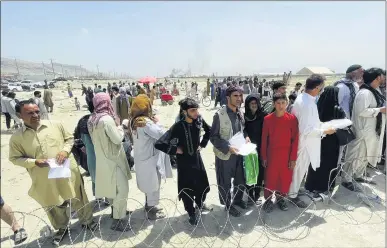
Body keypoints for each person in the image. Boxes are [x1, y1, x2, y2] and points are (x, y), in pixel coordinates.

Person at [9, 99, 97, 245]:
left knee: (77, 196)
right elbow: (14, 158)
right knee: (54, 203)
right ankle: (62, 228)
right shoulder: (17, 137)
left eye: (37, 111)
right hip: (43, 176)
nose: (35, 115)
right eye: (30, 113)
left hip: (66, 169)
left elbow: (69, 139)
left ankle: (87, 221)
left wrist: (64, 151)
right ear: (19, 115)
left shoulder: (55, 125)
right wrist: (34, 162)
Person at [157, 98, 212, 225]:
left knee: (201, 184)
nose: (196, 113)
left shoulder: (198, 120)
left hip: (197, 159)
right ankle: (191, 213)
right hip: (184, 163)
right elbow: (160, 143)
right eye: (192, 110)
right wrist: (175, 150)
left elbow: (209, 130)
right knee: (187, 188)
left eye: (196, 110)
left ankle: (200, 204)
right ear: (184, 111)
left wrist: (202, 144)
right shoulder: (178, 126)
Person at [289, 74, 336, 208]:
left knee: (300, 170)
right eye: (322, 87)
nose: (322, 90)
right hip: (304, 144)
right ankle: (292, 196)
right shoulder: (306, 103)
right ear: (317, 87)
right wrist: (325, 131)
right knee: (298, 170)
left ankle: (295, 190)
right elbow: (305, 130)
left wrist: (322, 125)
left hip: (306, 142)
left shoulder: (307, 99)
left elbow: (311, 123)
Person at [88, 93, 132, 231]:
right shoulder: (106, 120)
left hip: (102, 159)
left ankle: (117, 211)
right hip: (113, 160)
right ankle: (118, 220)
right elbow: (117, 139)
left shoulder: (92, 119)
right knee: (122, 189)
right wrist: (122, 127)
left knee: (112, 189)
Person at [342, 68, 386, 191]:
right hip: (361, 130)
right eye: (382, 76)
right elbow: (361, 111)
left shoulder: (374, 91)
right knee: (355, 154)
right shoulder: (364, 93)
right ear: (377, 77)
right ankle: (346, 179)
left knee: (365, 155)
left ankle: (358, 175)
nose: (384, 78)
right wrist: (380, 110)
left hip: (370, 129)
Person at [130, 94, 172, 220]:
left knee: (148, 183)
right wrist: (157, 123)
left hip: (142, 158)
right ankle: (151, 211)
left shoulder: (134, 120)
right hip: (150, 159)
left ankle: (149, 205)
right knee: (153, 184)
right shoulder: (145, 123)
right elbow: (161, 134)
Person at [210, 86, 249, 217]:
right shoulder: (219, 115)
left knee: (240, 180)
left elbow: (243, 130)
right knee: (225, 182)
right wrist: (227, 148)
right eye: (235, 96)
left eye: (240, 96)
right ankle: (228, 205)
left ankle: (237, 200)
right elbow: (213, 137)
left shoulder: (240, 112)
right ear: (228, 98)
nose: (238, 99)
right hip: (225, 155)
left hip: (239, 154)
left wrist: (247, 137)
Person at [260, 93, 299, 212]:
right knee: (270, 178)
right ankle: (268, 200)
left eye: (283, 103)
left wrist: (292, 158)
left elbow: (295, 139)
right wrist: (264, 157)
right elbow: (264, 139)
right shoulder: (267, 119)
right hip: (272, 155)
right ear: (274, 104)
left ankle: (281, 199)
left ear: (287, 103)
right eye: (278, 103)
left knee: (284, 179)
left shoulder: (292, 119)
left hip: (286, 155)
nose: (281, 106)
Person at [304, 86, 346, 194]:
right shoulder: (337, 108)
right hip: (332, 140)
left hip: (319, 138)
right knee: (329, 163)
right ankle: (325, 186)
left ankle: (311, 185)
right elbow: (343, 123)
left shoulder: (317, 106)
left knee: (316, 162)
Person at [243, 94, 266, 205]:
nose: (254, 105)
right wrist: (246, 136)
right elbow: (242, 130)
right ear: (247, 105)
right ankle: (249, 194)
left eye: (255, 103)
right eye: (251, 103)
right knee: (249, 172)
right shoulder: (243, 117)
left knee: (260, 172)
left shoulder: (263, 116)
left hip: (261, 148)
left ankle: (256, 195)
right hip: (248, 150)